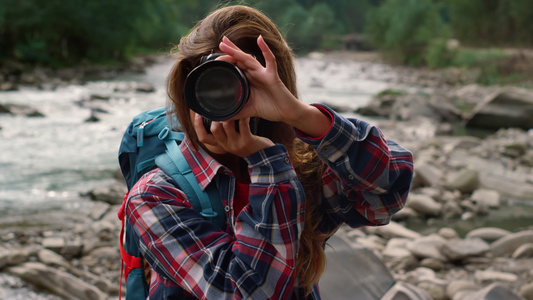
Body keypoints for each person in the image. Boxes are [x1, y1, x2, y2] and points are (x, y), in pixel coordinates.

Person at [125, 4, 414, 300]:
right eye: (209, 85)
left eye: (238, 84)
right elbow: (248, 293)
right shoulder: (155, 194)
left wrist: (303, 117)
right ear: (187, 87)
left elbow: (386, 195)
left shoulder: (306, 169)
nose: (222, 97)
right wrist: (268, 170)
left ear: (274, 82)